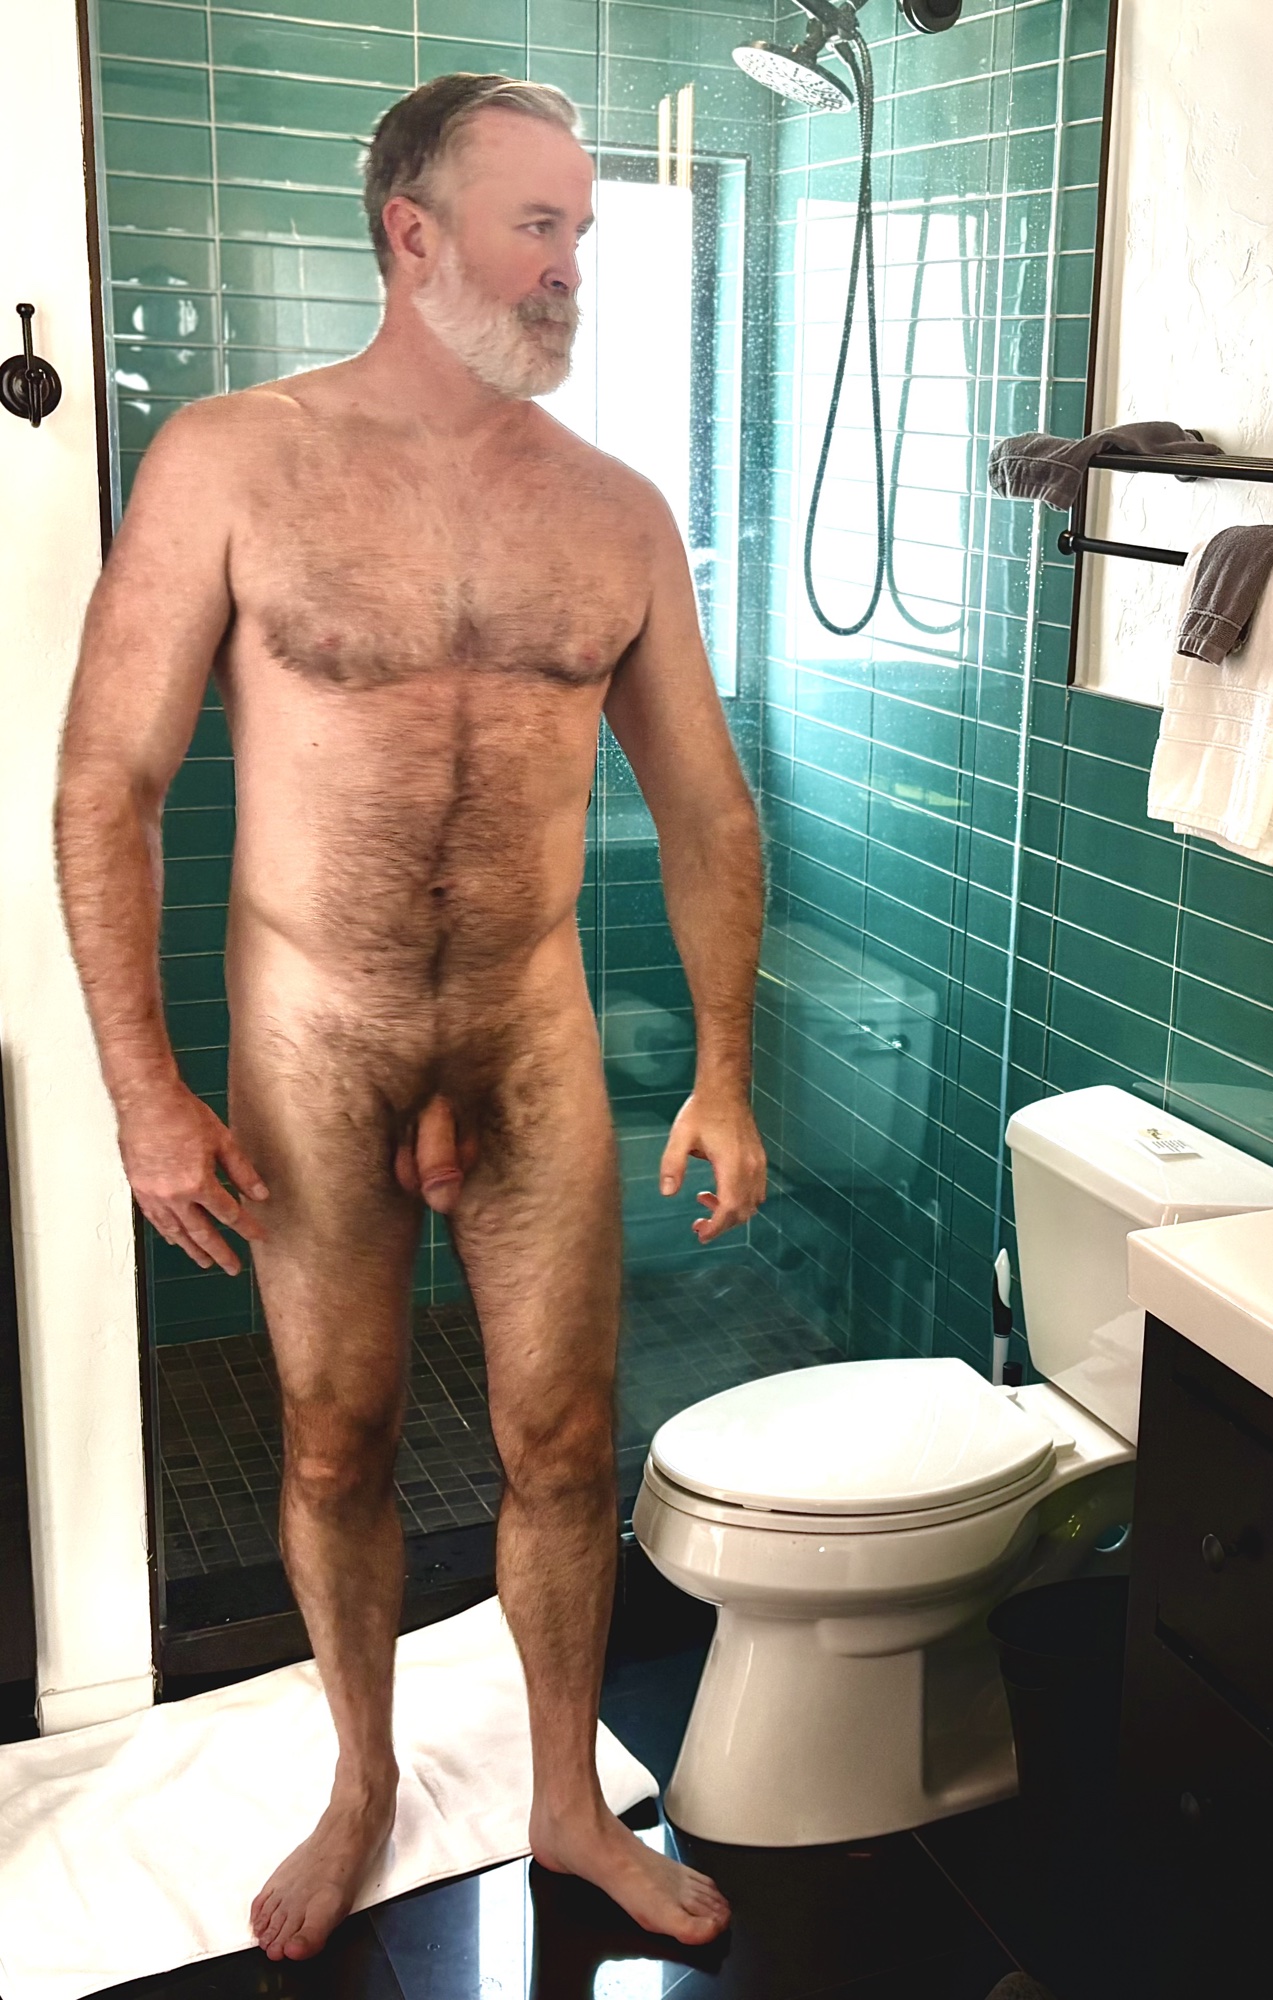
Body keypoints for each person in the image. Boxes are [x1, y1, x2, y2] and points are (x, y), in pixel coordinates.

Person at [54, 73, 764, 1960]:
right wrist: (144, 1092)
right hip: (319, 1037)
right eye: (538, 227)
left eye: (582, 232)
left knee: (566, 1441)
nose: (571, 267)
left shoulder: (615, 512)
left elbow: (707, 807)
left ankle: (563, 1800)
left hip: (530, 1035)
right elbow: (108, 780)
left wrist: (722, 1069)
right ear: (411, 233)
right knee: (331, 1438)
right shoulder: (231, 462)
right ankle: (360, 1777)